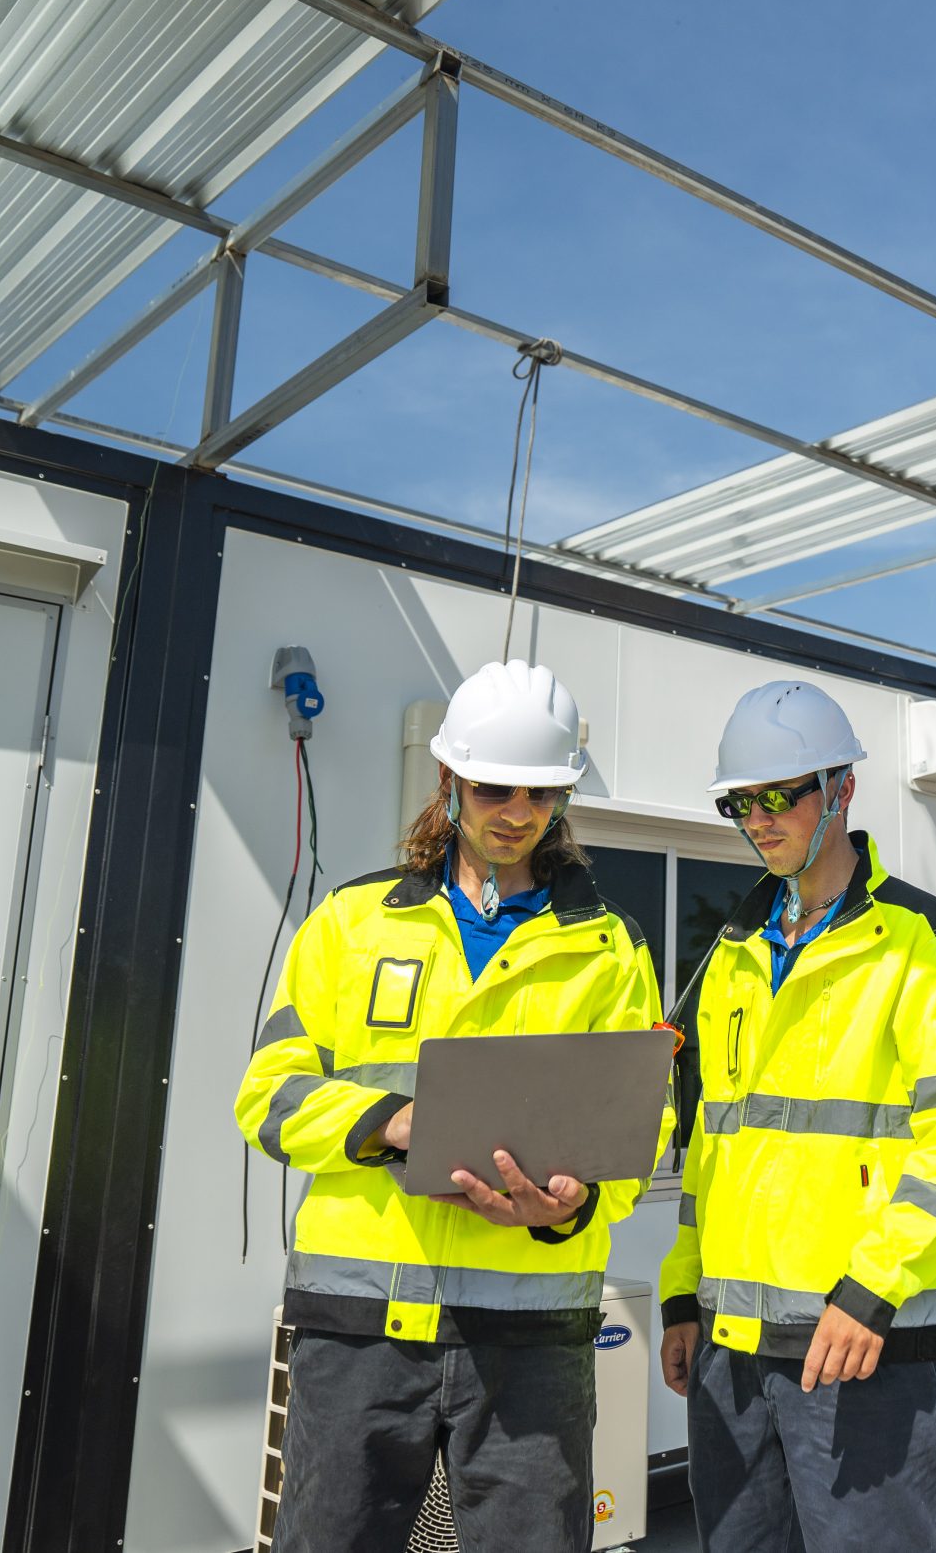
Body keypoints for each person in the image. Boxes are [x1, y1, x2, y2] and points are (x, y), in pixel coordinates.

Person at [237, 659, 667, 1552]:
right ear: (449, 778)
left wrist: (574, 1203)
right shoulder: (352, 920)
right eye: (493, 787)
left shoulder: (610, 947)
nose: (517, 811)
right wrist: (389, 1123)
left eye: (541, 792)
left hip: (532, 1342)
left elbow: (637, 1128)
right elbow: (269, 1095)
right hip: (358, 1330)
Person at [658, 679, 936, 1552]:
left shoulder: (917, 936)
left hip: (865, 1347)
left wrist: (872, 1289)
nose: (758, 819)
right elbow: (715, 1146)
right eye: (742, 802)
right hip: (731, 1354)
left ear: (842, 787)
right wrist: (681, 1290)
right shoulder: (731, 953)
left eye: (779, 796)